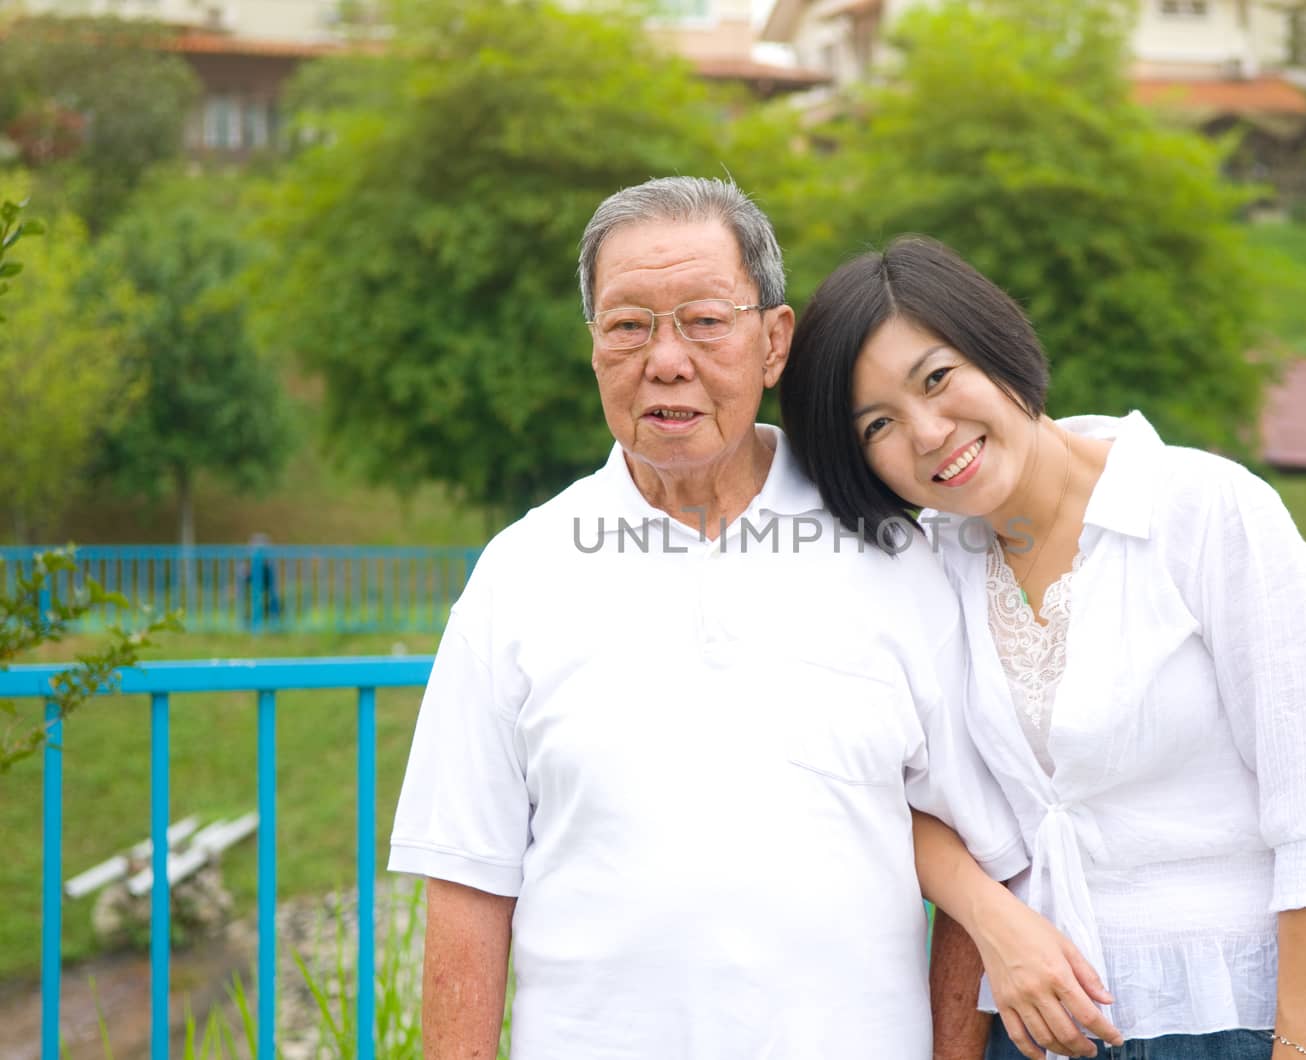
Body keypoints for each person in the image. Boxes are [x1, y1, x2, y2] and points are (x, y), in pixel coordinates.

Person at [387, 179, 1116, 1060]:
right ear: (593, 349)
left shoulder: (894, 550)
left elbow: (975, 844)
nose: (665, 360)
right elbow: (467, 879)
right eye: (628, 326)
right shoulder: (522, 574)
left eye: (703, 320)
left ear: (775, 343)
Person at [778, 236, 1306, 1060]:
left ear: (996, 348)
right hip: (1040, 1026)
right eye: (878, 426)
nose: (928, 433)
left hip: (1244, 1019)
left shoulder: (1207, 512)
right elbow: (900, 790)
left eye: (937, 379)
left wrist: (1302, 1049)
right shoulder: (928, 567)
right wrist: (995, 918)